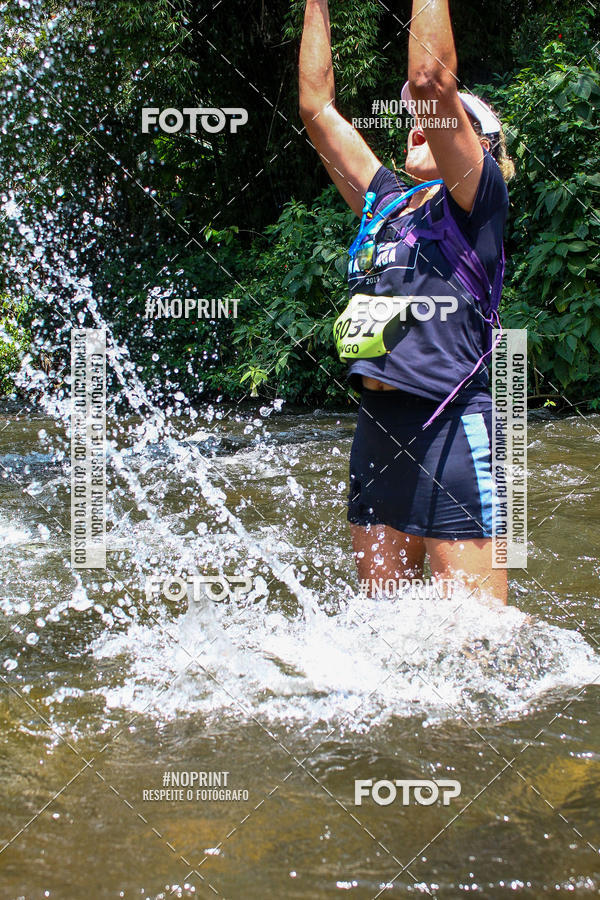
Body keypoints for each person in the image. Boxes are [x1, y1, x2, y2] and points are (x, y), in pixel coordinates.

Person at [299, 0, 516, 604]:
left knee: (481, 646)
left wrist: (434, 96)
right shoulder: (386, 204)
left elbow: (428, 81)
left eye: (440, 120)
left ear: (481, 144)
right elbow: (317, 111)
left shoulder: (477, 205)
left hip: (451, 426)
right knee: (385, 641)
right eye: (413, 122)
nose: (417, 123)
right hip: (376, 431)